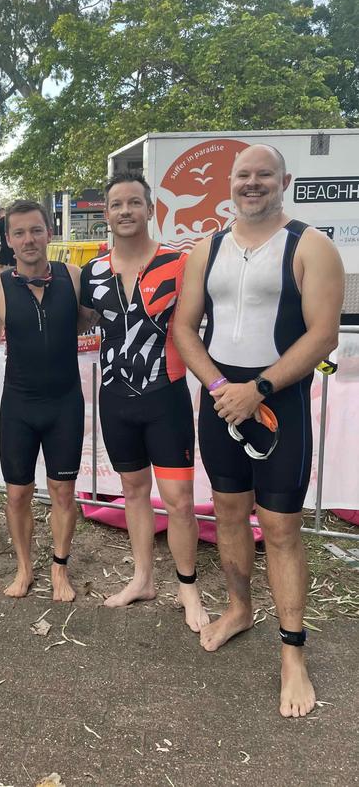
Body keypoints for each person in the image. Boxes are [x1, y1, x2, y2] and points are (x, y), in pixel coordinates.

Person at [173, 144, 344, 718]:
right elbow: (184, 327)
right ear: (231, 182)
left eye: (263, 175)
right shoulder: (208, 248)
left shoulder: (311, 246)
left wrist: (260, 390)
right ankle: (240, 608)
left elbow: (322, 336)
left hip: (278, 401)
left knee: (281, 526)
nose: (253, 184)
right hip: (221, 399)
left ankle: (293, 654)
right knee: (226, 512)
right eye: (243, 175)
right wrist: (222, 390)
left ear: (283, 180)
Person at [79, 172, 209, 632]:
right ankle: (142, 579)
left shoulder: (180, 263)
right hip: (115, 400)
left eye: (135, 203)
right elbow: (80, 322)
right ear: (107, 214)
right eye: (117, 204)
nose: (125, 211)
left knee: (178, 501)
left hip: (166, 398)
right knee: (133, 491)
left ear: (150, 209)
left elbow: (199, 325)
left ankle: (189, 589)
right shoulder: (93, 272)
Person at [0, 199, 84, 601]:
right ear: (8, 240)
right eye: (19, 233)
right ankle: (24, 567)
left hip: (65, 404)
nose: (29, 239)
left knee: (63, 492)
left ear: (49, 232)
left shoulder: (73, 277)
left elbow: (95, 320)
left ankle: (59, 568)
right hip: (19, 405)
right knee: (17, 493)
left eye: (36, 230)